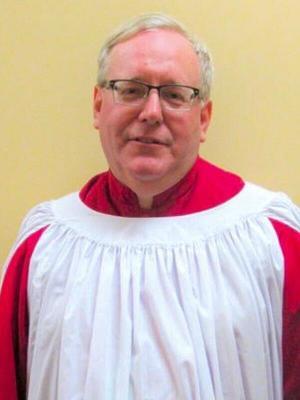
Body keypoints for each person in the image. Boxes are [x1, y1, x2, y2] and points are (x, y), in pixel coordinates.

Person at [0, 12, 299, 400]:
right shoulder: (44, 246)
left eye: (175, 94)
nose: (151, 112)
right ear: (97, 105)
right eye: (131, 89)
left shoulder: (273, 241)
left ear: (203, 118)